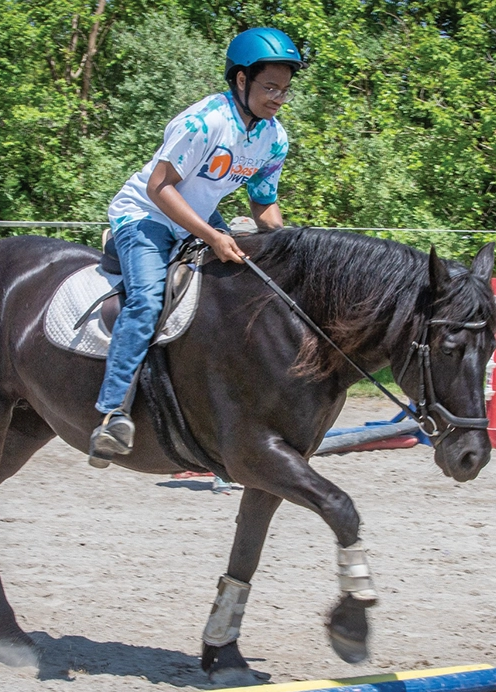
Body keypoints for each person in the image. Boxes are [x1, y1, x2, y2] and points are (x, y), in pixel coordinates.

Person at [89, 27, 305, 467]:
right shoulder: (204, 121)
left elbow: (264, 205)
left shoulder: (274, 138)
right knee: (147, 300)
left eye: (285, 89)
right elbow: (159, 187)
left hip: (199, 218)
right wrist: (213, 236)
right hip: (145, 215)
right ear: (241, 81)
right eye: (270, 87)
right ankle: (112, 413)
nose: (279, 98)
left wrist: (288, 254)